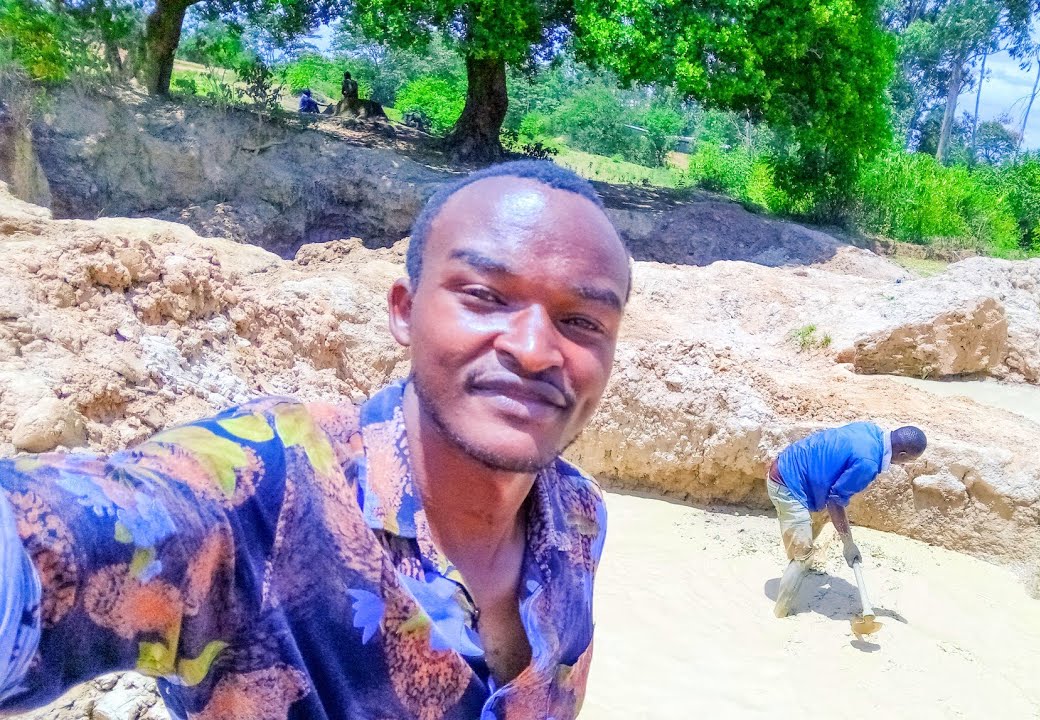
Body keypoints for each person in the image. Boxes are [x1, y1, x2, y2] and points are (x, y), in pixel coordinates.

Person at [0, 161, 632, 718]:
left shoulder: (577, 518)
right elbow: (64, 538)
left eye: (581, 321)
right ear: (404, 311)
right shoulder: (264, 488)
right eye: (485, 296)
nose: (532, 349)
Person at [767, 423, 927, 617]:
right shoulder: (867, 462)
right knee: (803, 558)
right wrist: (848, 544)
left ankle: (799, 565)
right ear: (902, 456)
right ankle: (779, 614)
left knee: (815, 525)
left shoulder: (871, 430)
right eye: (908, 461)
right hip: (787, 484)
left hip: (789, 464)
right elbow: (834, 501)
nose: (904, 464)